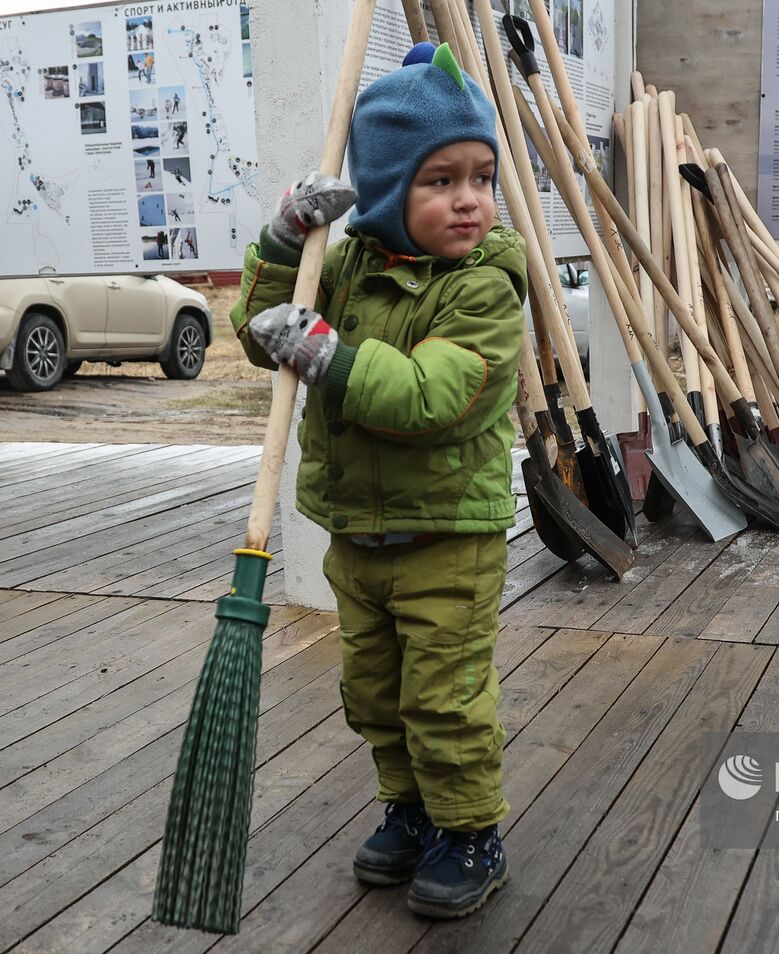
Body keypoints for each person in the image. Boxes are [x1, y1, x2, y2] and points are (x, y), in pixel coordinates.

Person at [230, 41, 522, 920]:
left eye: (482, 176)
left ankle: (469, 830)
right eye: (441, 180)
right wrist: (285, 241)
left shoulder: (484, 286)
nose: (468, 199)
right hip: (357, 535)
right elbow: (258, 329)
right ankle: (409, 808)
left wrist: (328, 353)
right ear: (392, 190)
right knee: (375, 693)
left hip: (447, 541)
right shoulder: (346, 265)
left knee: (446, 698)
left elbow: (435, 396)